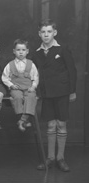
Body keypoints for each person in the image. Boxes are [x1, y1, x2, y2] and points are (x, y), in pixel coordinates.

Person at [33, 19, 77, 172]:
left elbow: (72, 70)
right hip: (47, 93)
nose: (46, 35)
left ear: (54, 33)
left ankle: (61, 158)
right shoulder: (36, 53)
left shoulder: (62, 49)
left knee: (61, 124)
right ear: (39, 34)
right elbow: (32, 72)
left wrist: (72, 91)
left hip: (62, 92)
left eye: (49, 32)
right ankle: (50, 158)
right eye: (43, 32)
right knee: (50, 125)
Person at [2, 39, 39, 132]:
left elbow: (35, 77)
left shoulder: (31, 64)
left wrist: (33, 86)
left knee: (30, 97)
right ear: (14, 51)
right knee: (17, 97)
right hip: (16, 88)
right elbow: (4, 78)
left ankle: (22, 121)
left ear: (27, 51)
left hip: (28, 88)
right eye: (18, 50)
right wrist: (11, 85)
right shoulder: (10, 65)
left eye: (23, 50)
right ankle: (23, 119)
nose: (21, 52)